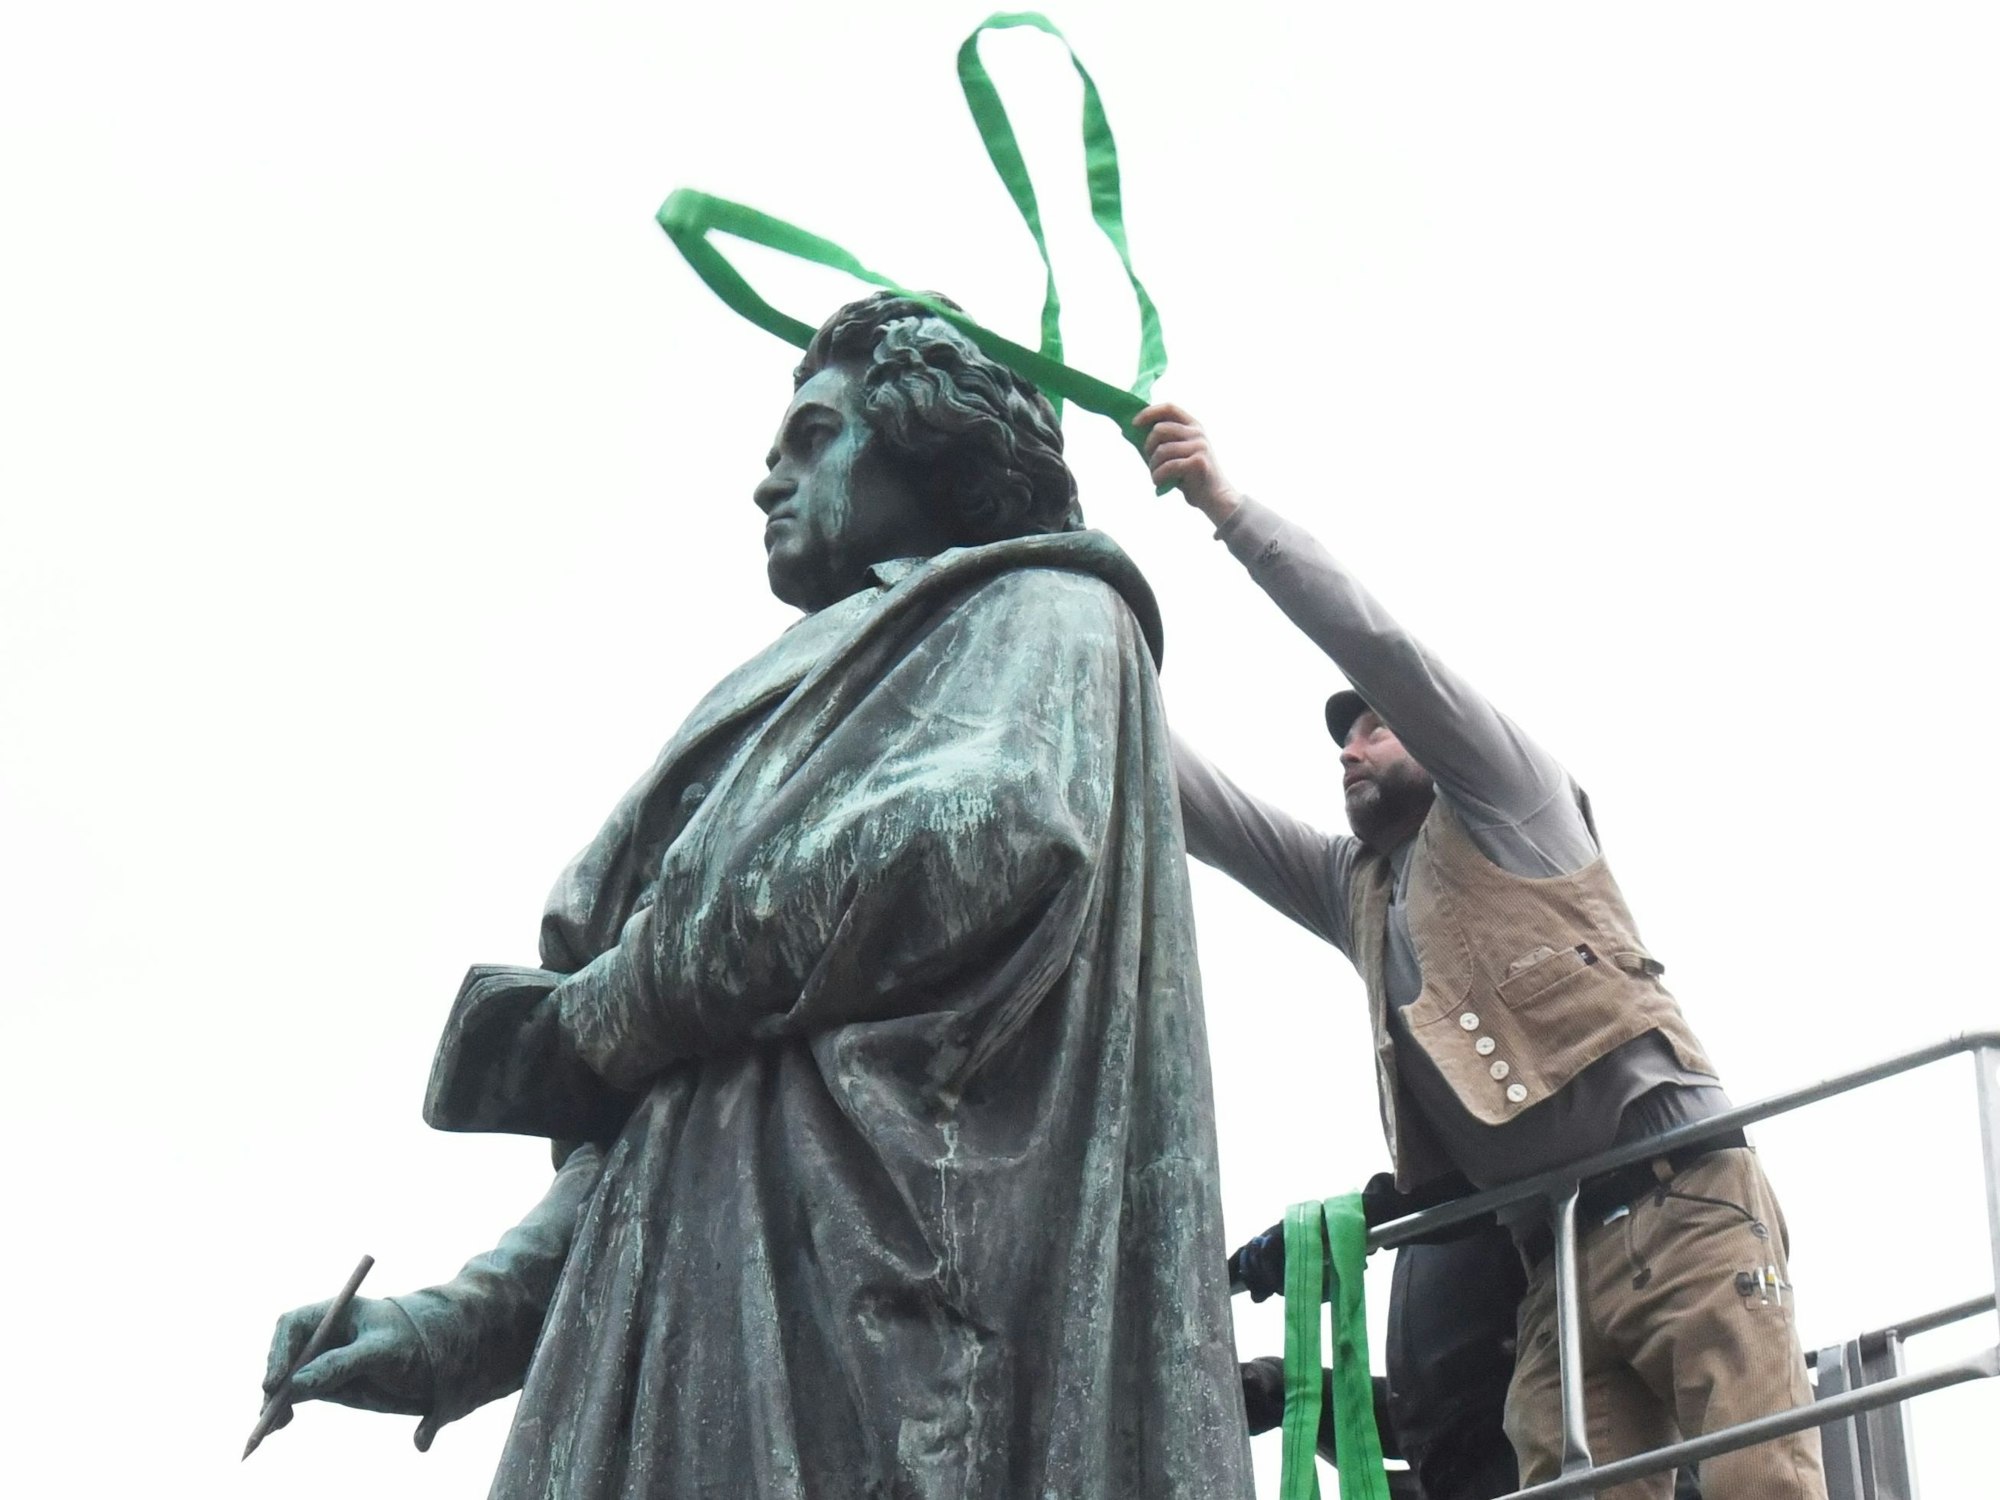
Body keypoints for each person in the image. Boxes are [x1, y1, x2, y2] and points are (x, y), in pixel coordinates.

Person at [255, 295, 1255, 1500]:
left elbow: (972, 839)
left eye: (813, 439)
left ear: (925, 437)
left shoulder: (1044, 610)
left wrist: (613, 1002)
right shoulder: (826, 684)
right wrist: (455, 1326)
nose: (766, 483)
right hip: (683, 1329)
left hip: (867, 1334)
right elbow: (646, 1135)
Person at [1139, 402, 1824, 1500]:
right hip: (1550, 1256)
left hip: (1683, 1199)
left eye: (1369, 727)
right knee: (1556, 1478)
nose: (1348, 750)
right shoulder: (1355, 887)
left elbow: (1379, 646)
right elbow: (1202, 808)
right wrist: (1068, 646)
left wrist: (1225, 510)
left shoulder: (1507, 800)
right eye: (1338, 738)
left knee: (1757, 1481)